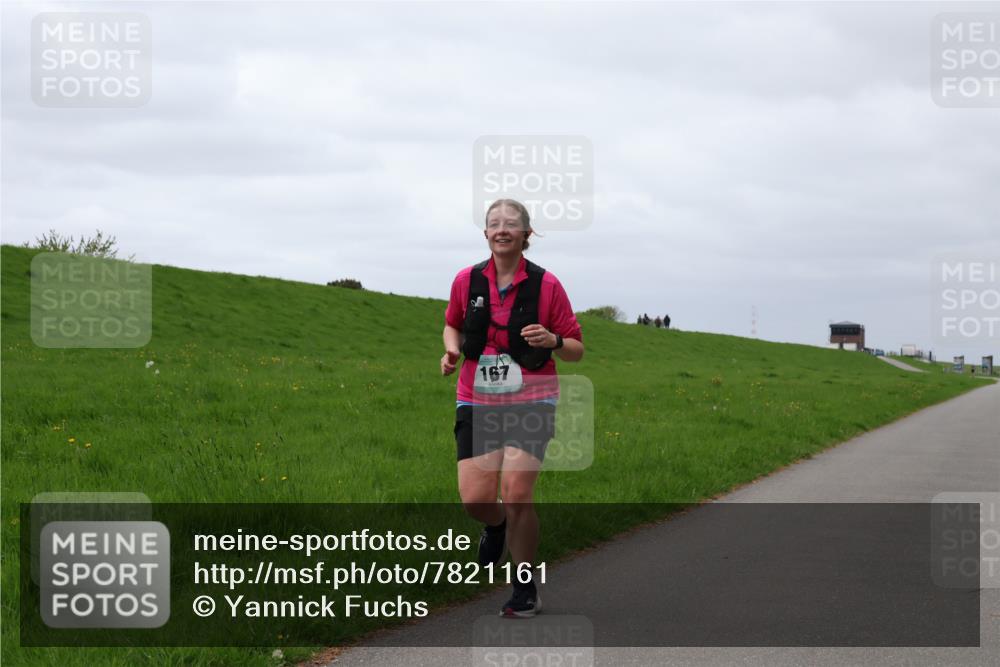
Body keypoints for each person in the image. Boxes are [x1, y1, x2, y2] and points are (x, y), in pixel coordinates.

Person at [440, 198, 584, 618]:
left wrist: (554, 341)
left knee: (517, 493)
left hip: (532, 399)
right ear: (485, 234)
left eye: (511, 224)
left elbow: (576, 348)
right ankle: (494, 524)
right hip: (477, 398)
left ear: (527, 235)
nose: (502, 230)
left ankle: (524, 586)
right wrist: (451, 352)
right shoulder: (466, 281)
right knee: (475, 499)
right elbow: (452, 322)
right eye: (494, 224)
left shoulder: (548, 286)